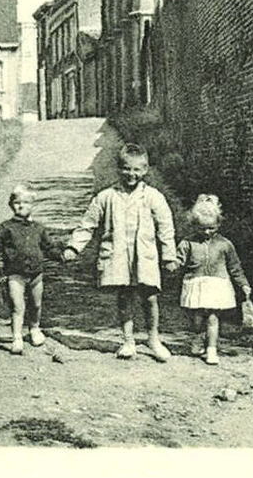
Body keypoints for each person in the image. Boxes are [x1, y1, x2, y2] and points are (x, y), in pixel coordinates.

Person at [62, 142, 178, 361]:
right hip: (119, 256)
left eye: (136, 169)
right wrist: (74, 246)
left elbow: (166, 227)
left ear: (145, 170)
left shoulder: (153, 197)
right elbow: (88, 224)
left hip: (145, 257)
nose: (131, 174)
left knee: (150, 297)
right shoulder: (106, 197)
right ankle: (128, 340)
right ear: (119, 168)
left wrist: (169, 255)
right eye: (126, 168)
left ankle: (154, 338)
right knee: (125, 297)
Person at [0, 182, 67, 355]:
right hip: (15, 274)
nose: (21, 206)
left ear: (33, 205)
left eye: (26, 202)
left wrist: (60, 255)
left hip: (36, 274)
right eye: (17, 202)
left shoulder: (38, 229)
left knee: (36, 304)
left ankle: (34, 328)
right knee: (18, 306)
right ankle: (16, 337)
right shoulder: (5, 228)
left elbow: (48, 247)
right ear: (11, 205)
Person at [178, 193, 251, 364]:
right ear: (194, 225)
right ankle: (197, 338)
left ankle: (211, 349)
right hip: (195, 283)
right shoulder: (187, 243)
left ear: (218, 224)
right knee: (196, 318)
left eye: (211, 228)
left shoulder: (225, 245)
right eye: (201, 228)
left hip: (217, 284)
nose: (206, 232)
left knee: (212, 317)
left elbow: (235, 267)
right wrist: (171, 264)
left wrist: (243, 284)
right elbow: (178, 260)